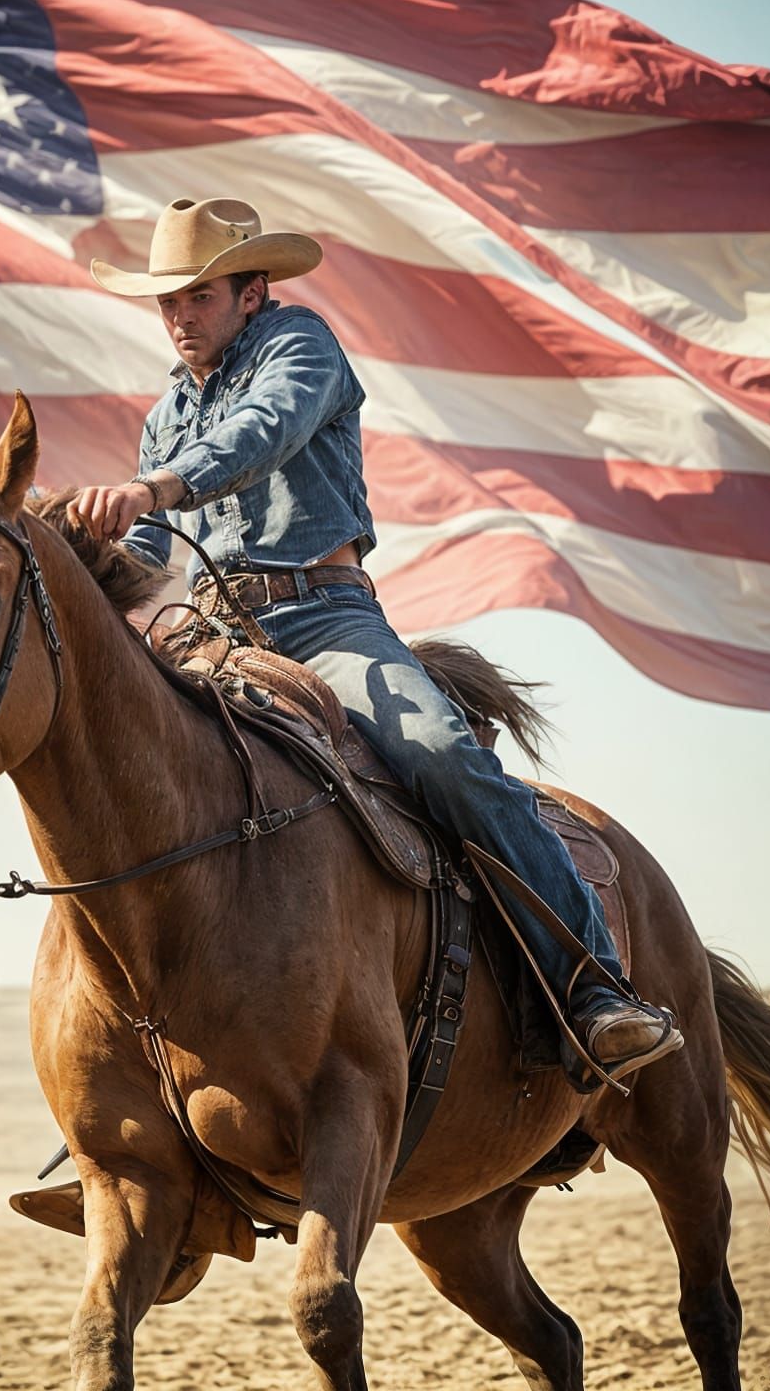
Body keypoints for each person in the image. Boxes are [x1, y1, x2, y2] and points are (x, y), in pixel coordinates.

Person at [68, 196, 682, 1080]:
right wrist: (76, 543)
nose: (178, 317)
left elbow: (262, 432)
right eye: (168, 302)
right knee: (128, 786)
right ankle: (130, 1088)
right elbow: (148, 558)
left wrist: (156, 486)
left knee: (438, 753)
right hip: (207, 639)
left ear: (252, 291)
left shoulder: (299, 346)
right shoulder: (166, 414)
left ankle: (594, 988)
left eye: (197, 296)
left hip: (323, 621)